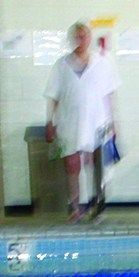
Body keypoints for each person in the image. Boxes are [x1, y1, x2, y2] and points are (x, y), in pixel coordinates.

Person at [43, 22, 119, 223]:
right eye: (76, 37)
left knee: (96, 164)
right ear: (71, 39)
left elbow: (109, 95)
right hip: (70, 122)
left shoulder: (102, 62)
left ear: (89, 38)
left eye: (83, 36)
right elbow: (53, 95)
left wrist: (113, 122)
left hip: (97, 122)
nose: (80, 40)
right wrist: (49, 122)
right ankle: (75, 207)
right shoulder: (62, 64)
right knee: (72, 164)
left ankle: (98, 205)